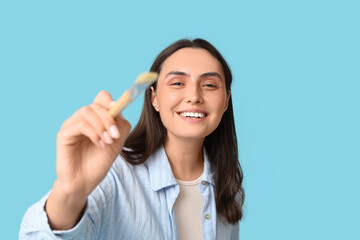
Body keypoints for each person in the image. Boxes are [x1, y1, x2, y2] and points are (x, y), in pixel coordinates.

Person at [19, 38, 245, 240]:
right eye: (177, 83)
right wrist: (69, 191)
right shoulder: (113, 176)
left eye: (209, 85)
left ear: (226, 101)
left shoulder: (227, 187)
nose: (194, 96)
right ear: (154, 98)